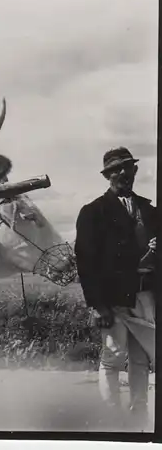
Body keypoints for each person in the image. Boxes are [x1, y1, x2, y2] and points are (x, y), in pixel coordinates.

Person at [75, 147, 156, 431]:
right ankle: (111, 423)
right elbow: (85, 262)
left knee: (140, 360)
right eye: (116, 169)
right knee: (112, 357)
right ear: (107, 175)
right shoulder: (93, 212)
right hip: (113, 299)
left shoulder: (150, 210)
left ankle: (138, 421)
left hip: (145, 296)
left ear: (135, 171)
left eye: (127, 167)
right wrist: (97, 305)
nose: (123, 173)